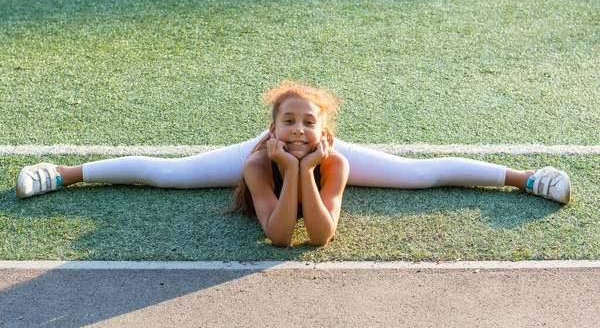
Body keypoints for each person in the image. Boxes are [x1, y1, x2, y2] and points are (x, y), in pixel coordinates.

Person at [15, 81, 571, 247]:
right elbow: (281, 240)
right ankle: (61, 173)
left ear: (323, 132)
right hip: (270, 166)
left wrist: (309, 167)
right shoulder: (256, 160)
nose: (299, 131)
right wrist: (288, 166)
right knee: (170, 174)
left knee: (419, 173)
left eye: (309, 123)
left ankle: (528, 179)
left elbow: (318, 237)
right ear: (274, 127)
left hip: (316, 168)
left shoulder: (336, 159)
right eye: (290, 122)